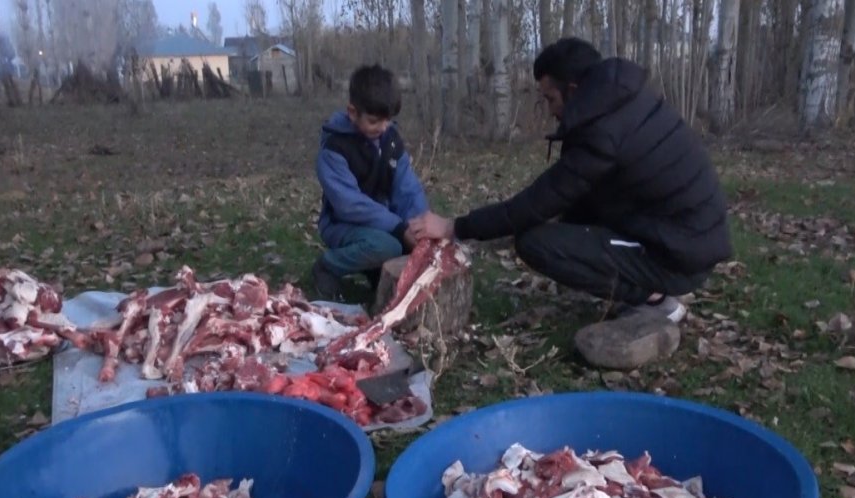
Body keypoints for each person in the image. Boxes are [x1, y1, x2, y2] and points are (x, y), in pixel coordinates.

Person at [410, 38, 732, 325]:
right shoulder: (622, 105)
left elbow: (539, 201)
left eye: (550, 99)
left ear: (573, 90)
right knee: (564, 222)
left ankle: (657, 299)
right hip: (688, 238)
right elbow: (574, 199)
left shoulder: (602, 132)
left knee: (536, 244)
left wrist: (453, 227)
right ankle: (649, 285)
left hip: (680, 254)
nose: (550, 110)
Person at [312, 64, 432, 302]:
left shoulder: (390, 140)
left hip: (383, 223)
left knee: (419, 246)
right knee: (388, 246)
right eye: (375, 121)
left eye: (388, 120)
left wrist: (420, 227)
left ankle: (377, 275)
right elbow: (350, 205)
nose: (383, 127)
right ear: (352, 112)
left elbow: (407, 188)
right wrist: (399, 229)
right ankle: (327, 266)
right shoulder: (334, 149)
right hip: (341, 224)